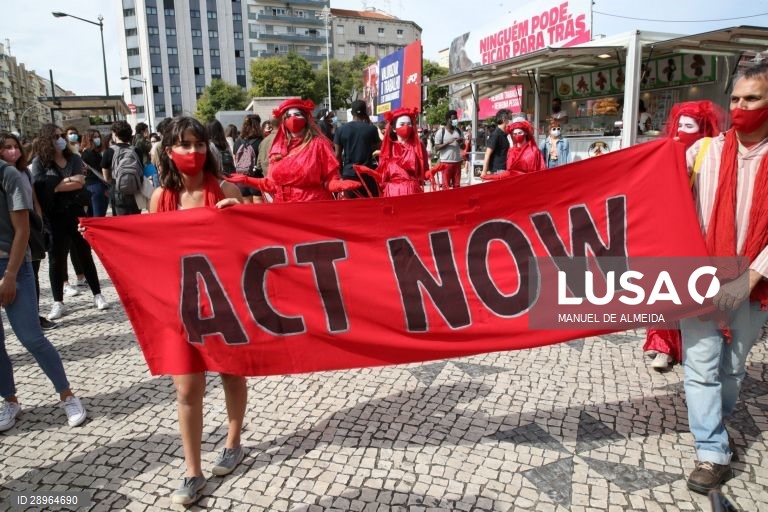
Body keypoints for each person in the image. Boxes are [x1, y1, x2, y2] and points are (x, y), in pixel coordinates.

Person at [146, 116, 245, 505]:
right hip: (180, 305)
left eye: (199, 144)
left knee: (232, 374)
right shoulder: (160, 198)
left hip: (224, 302)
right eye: (184, 145)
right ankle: (192, 470)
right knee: (187, 389)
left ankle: (234, 442)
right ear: (169, 150)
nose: (193, 152)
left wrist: (240, 215)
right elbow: (150, 252)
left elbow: (250, 250)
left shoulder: (225, 188)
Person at [680, 61, 768, 494]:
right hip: (701, 279)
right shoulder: (703, 153)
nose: (740, 107)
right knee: (701, 368)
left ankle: (714, 417)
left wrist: (750, 277)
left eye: (751, 99)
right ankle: (712, 450)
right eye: (734, 99)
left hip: (754, 281)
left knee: (732, 369)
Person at [0, 135, 87, 432]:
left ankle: (67, 395)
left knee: (31, 337)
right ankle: (9, 400)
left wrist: (10, 274)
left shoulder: (8, 174)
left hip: (12, 265)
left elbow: (22, 229)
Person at [643, 100, 724, 371]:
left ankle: (693, 348)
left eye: (689, 126)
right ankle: (662, 345)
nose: (681, 130)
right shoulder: (669, 150)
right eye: (679, 124)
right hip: (668, 230)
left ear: (702, 130)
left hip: (698, 233)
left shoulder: (712, 157)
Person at [30, 124, 109, 321]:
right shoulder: (40, 161)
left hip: (76, 212)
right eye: (56, 136)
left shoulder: (73, 158)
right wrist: (61, 184)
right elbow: (40, 186)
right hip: (54, 216)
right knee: (57, 259)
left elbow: (80, 181)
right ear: (46, 140)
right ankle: (58, 302)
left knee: (84, 254)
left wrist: (54, 185)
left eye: (62, 135)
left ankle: (97, 294)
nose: (61, 139)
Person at [228, 98, 360, 202]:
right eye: (288, 115)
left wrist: (338, 184)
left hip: (312, 206)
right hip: (284, 209)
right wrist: (246, 180)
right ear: (283, 120)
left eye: (297, 114)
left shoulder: (318, 144)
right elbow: (271, 185)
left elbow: (330, 181)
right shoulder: (278, 147)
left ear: (306, 118)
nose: (293, 118)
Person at [0, 132, 56, 331]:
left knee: (32, 273)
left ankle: (33, 314)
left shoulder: (24, 172)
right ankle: (30, 318)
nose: (13, 151)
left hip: (30, 228)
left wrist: (39, 223)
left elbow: (34, 200)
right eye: (7, 147)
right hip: (12, 235)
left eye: (15, 146)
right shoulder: (5, 175)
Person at [373, 107, 429, 197]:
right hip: (392, 191)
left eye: (409, 124)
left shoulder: (418, 146)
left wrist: (431, 173)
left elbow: (424, 169)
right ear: (394, 129)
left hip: (412, 191)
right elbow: (382, 173)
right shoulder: (389, 147)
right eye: (402, 124)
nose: (406, 127)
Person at [334, 100, 380, 197]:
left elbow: (337, 155)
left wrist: (340, 174)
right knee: (369, 206)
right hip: (367, 173)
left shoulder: (341, 129)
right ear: (365, 113)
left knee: (351, 207)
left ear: (351, 113)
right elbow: (378, 148)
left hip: (349, 174)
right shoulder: (371, 129)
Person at [101, 120, 143, 216]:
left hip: (117, 190)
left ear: (115, 134)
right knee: (135, 220)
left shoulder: (109, 151)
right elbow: (141, 171)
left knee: (120, 222)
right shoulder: (136, 150)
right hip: (135, 189)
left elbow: (106, 177)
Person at [232, 115, 263, 204]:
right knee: (259, 212)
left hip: (241, 179)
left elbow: (235, 158)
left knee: (247, 209)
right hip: (256, 178)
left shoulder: (237, 141)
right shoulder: (260, 141)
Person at [79, 129, 110, 218]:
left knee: (93, 215)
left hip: (92, 186)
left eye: (98, 137)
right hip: (96, 186)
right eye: (94, 137)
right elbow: (101, 168)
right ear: (88, 139)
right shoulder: (89, 153)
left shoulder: (87, 152)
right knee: (98, 216)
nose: (97, 139)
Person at [432, 110, 465, 189]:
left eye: (456, 118)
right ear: (448, 120)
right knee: (445, 187)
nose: (455, 121)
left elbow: (463, 147)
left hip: (457, 162)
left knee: (457, 186)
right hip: (445, 163)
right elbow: (436, 148)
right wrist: (448, 143)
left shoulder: (459, 131)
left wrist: (461, 143)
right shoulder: (441, 132)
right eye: (454, 119)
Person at [480, 109, 511, 178]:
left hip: (504, 169)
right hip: (498, 171)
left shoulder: (504, 134)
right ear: (504, 120)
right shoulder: (496, 135)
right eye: (510, 119)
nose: (510, 121)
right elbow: (487, 154)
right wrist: (484, 172)